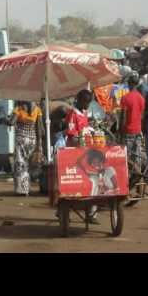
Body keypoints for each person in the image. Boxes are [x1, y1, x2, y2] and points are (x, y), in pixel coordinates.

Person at [63, 89, 100, 224]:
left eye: (89, 103)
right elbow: (72, 135)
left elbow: (86, 129)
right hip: (74, 152)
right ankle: (63, 209)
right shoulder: (73, 114)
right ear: (79, 101)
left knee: (93, 181)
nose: (87, 106)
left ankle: (91, 212)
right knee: (73, 182)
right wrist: (81, 139)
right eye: (86, 102)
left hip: (85, 151)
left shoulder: (84, 113)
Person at [0, 101, 43, 196]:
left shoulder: (18, 109)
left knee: (21, 164)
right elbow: (39, 128)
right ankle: (28, 188)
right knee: (29, 165)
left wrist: (4, 120)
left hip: (21, 140)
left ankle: (22, 190)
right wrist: (39, 144)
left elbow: (11, 122)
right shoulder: (37, 109)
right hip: (32, 140)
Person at [120, 74, 145, 175]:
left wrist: (120, 130)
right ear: (137, 84)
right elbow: (142, 115)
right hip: (138, 130)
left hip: (128, 131)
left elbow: (123, 117)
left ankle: (127, 176)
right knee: (137, 155)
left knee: (127, 155)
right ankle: (137, 176)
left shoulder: (125, 98)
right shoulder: (141, 98)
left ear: (129, 84)